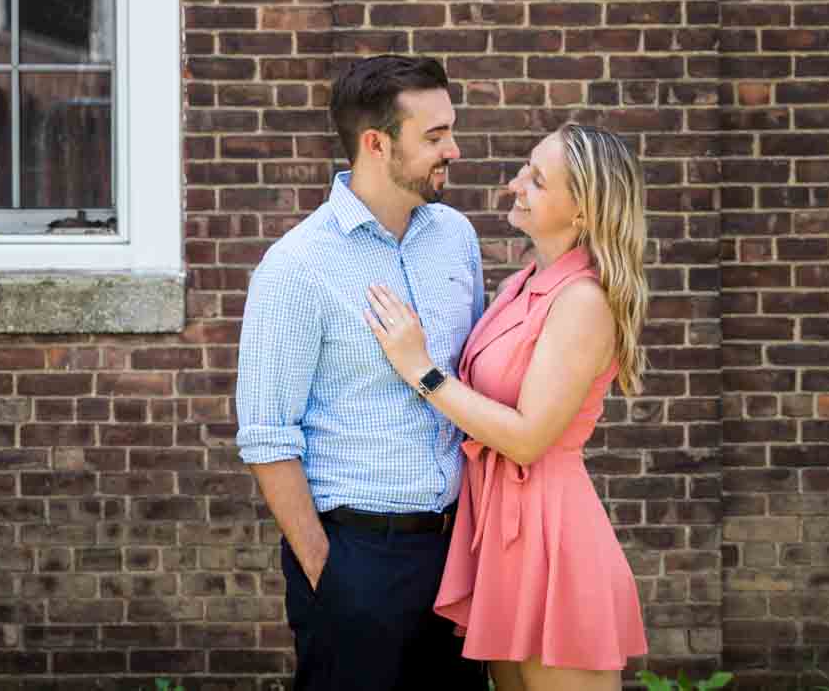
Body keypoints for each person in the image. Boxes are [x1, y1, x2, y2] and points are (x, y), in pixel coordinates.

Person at [362, 122, 650, 691]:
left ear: (584, 214)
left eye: (538, 181)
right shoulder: (523, 283)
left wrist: (419, 368)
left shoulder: (582, 301)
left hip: (553, 536)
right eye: (526, 167)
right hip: (501, 529)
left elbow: (525, 438)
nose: (516, 184)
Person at [235, 54, 488, 691]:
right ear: (376, 143)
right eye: (434, 136)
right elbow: (267, 437)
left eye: (450, 129)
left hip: (457, 553)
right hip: (358, 558)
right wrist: (326, 569)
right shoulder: (296, 267)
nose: (452, 149)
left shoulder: (456, 237)